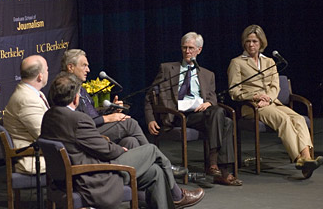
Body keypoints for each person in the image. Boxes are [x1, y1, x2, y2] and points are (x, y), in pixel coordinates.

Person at [40, 73, 204, 209]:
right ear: (76, 98)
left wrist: (107, 143)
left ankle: (172, 197)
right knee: (151, 151)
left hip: (75, 173)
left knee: (155, 172)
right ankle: (176, 194)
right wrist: (120, 150)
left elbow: (85, 143)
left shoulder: (49, 116)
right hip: (93, 177)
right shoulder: (77, 119)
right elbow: (105, 150)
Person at [145, 32, 242, 186]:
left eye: (191, 48)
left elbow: (212, 98)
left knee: (224, 118)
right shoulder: (167, 69)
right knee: (225, 121)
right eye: (184, 48)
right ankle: (218, 167)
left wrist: (209, 103)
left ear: (199, 50)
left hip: (199, 115)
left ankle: (216, 166)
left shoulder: (208, 74)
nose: (187, 51)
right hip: (177, 115)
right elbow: (150, 95)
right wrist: (150, 119)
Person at [227, 25, 322, 178]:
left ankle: (307, 158)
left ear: (261, 43)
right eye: (248, 41)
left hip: (271, 102)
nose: (251, 45)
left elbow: (275, 86)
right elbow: (234, 91)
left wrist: (269, 98)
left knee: (298, 118)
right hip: (252, 106)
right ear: (244, 43)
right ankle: (299, 159)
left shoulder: (270, 62)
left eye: (255, 41)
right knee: (284, 119)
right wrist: (255, 97)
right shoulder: (237, 62)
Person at [60, 49, 149, 149]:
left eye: (87, 66)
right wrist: (107, 118)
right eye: (84, 65)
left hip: (95, 128)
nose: (88, 70)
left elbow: (92, 114)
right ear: (71, 67)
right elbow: (76, 122)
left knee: (130, 142)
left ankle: (143, 162)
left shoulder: (81, 88)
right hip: (84, 135)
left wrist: (112, 110)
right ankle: (157, 159)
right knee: (130, 123)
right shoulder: (64, 88)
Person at [3, 55, 49, 174]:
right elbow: (45, 135)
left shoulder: (33, 93)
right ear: (40, 76)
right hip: (33, 158)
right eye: (47, 70)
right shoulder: (27, 99)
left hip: (41, 152)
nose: (48, 72)